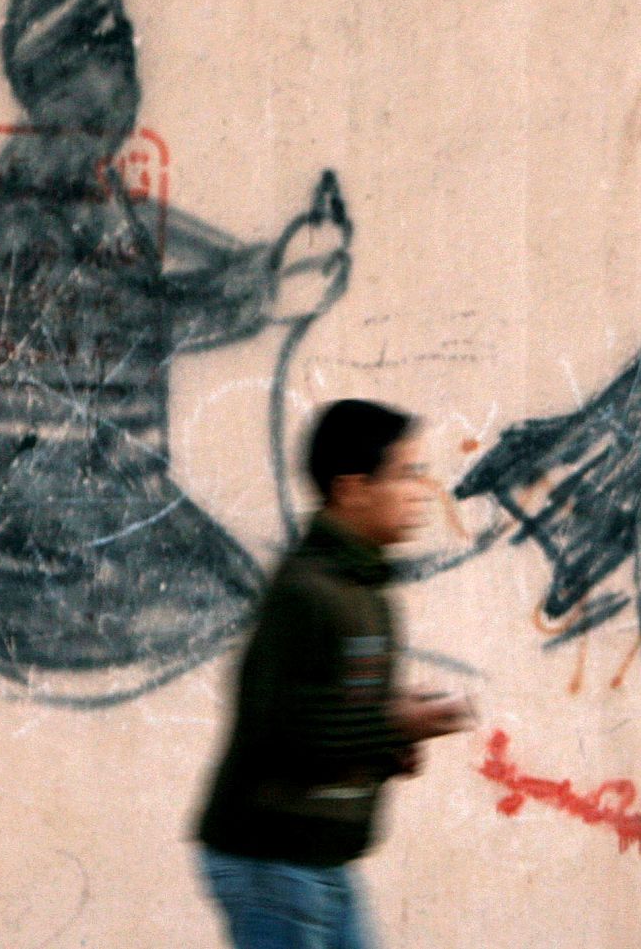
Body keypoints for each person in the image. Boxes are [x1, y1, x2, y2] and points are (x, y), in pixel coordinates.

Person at [0, 0, 350, 685]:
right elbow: (134, 322)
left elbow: (147, 263)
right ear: (65, 81)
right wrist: (259, 291)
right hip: (10, 479)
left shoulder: (83, 190)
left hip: (85, 467)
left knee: (231, 592)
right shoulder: (22, 216)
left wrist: (266, 264)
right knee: (176, 610)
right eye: (111, 56)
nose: (128, 78)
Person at [195, 399, 474, 949]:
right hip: (272, 860)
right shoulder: (307, 590)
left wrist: (388, 746)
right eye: (404, 474)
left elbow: (337, 716)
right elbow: (280, 725)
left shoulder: (363, 590)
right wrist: (393, 726)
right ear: (351, 489)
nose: (421, 490)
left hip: (318, 859)